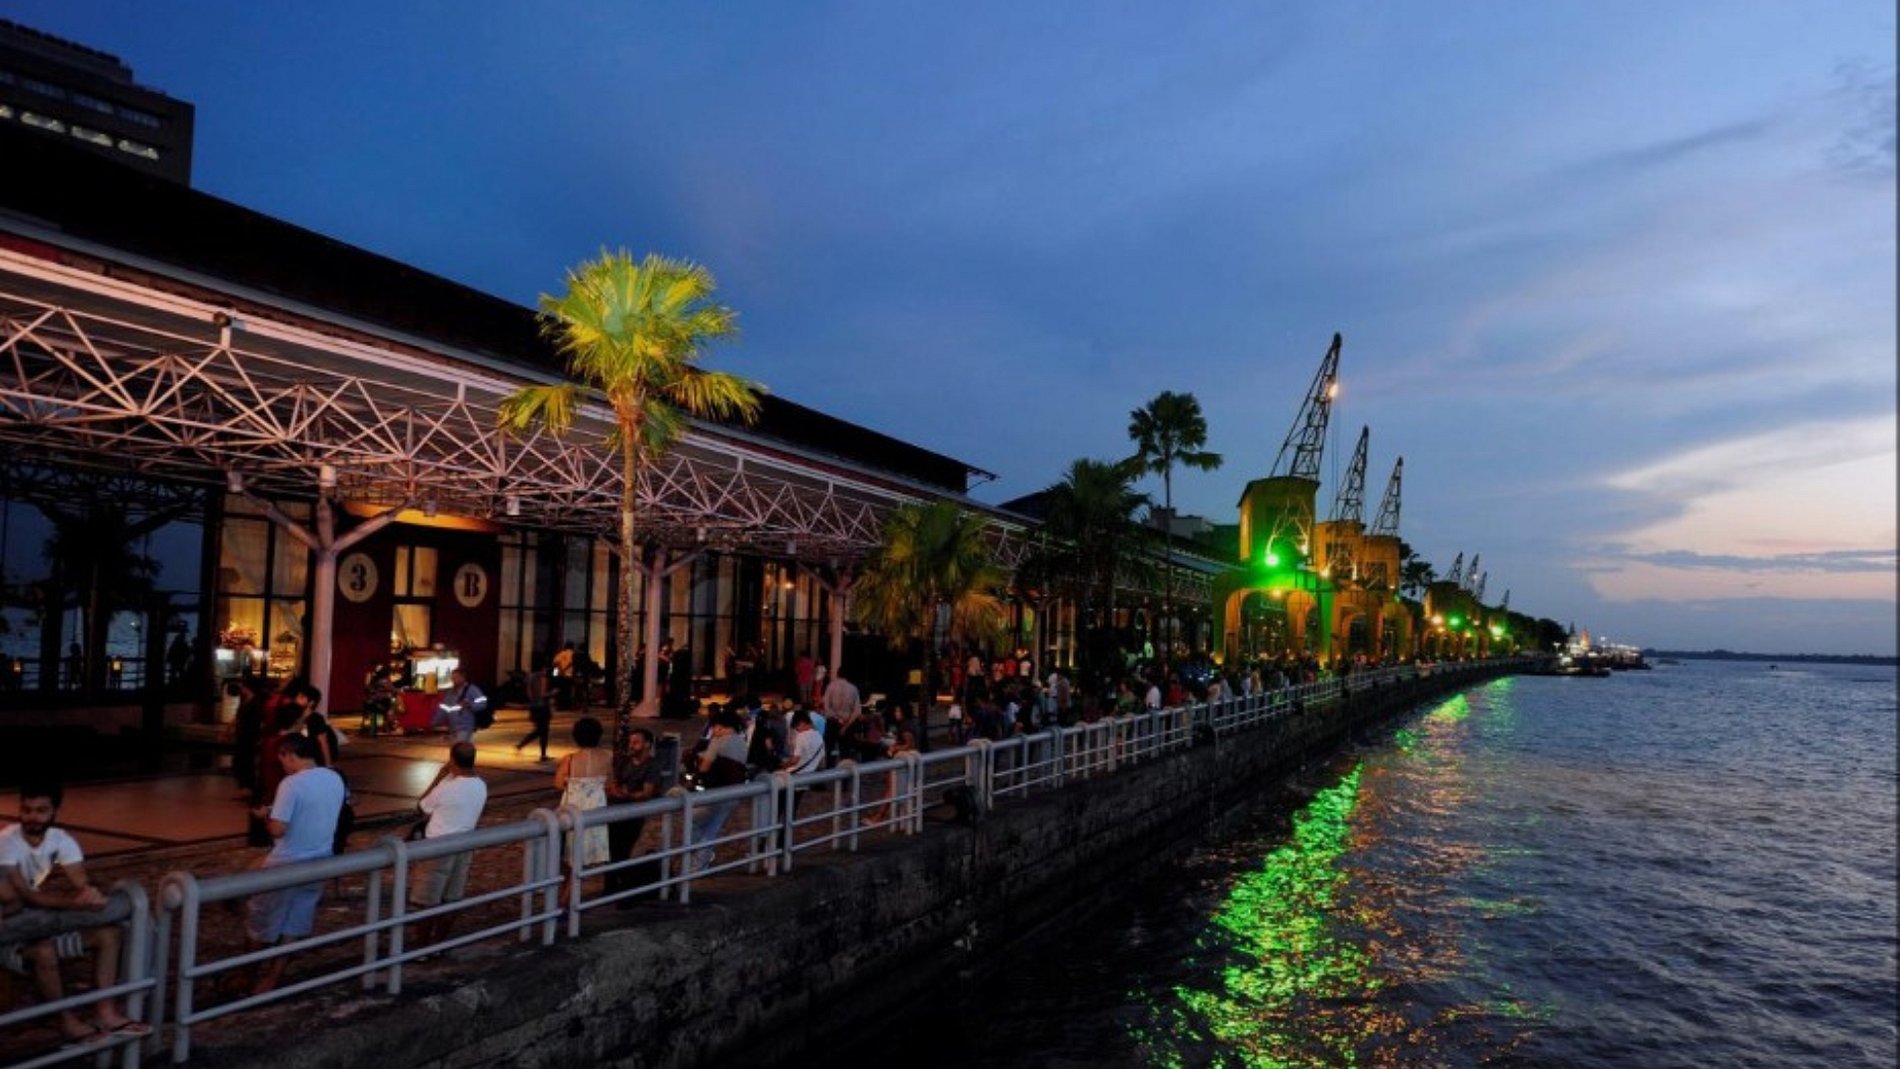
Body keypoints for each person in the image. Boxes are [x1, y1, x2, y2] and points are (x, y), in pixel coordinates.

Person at [0, 781, 147, 1045]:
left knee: (115, 920)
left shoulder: (61, 840)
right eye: (26, 810)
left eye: (40, 811)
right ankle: (66, 1021)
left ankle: (105, 1012)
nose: (32, 817)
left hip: (37, 919)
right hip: (10, 926)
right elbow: (24, 897)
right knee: (41, 937)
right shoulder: (7, 841)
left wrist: (91, 896)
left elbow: (81, 882)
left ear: (54, 812)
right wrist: (75, 905)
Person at [241, 734, 345, 996]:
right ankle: (273, 978)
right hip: (320, 859)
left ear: (289, 755)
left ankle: (247, 975)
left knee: (260, 919)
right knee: (295, 921)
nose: (283, 766)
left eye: (282, 760)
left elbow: (278, 829)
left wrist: (264, 817)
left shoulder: (291, 784)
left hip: (287, 862)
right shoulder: (334, 777)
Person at [410, 741, 487, 945]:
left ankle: (422, 948)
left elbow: (422, 807)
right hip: (464, 846)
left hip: (437, 848)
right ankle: (439, 944)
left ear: (452, 760)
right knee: (451, 900)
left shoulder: (447, 787)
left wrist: (439, 776)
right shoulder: (480, 785)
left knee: (427, 902)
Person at [553, 716, 612, 908]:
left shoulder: (570, 759)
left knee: (568, 855)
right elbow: (611, 784)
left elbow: (557, 783)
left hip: (572, 809)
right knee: (581, 858)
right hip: (595, 808)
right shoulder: (607, 757)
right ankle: (567, 898)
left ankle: (563, 898)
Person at [604, 727, 664, 906]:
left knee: (623, 849)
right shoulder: (623, 761)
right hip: (615, 810)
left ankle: (620, 888)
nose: (631, 745)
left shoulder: (653, 765)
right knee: (611, 849)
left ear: (647, 744)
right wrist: (619, 792)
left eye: (636, 742)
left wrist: (627, 795)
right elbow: (613, 784)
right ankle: (611, 887)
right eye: (631, 742)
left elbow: (647, 792)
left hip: (633, 814)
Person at [685, 710, 750, 872]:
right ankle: (701, 863)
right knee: (713, 828)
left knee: (694, 822)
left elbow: (704, 767)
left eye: (713, 727)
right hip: (734, 793)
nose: (712, 731)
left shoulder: (718, 741)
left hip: (715, 792)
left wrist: (698, 760)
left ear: (720, 727)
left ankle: (694, 861)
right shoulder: (742, 742)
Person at [431, 668, 487, 744]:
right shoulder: (450, 692)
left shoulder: (472, 690)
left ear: (463, 678)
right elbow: (443, 709)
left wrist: (470, 705)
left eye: (456, 677)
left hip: (465, 726)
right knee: (456, 748)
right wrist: (434, 723)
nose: (453, 680)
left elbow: (483, 703)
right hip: (453, 728)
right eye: (452, 678)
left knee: (460, 746)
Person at [516, 659, 553, 760]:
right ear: (543, 668)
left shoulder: (530, 678)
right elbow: (543, 694)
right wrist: (553, 693)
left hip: (534, 707)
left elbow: (529, 694)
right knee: (543, 731)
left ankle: (522, 745)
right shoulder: (542, 678)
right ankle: (543, 754)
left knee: (540, 730)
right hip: (542, 707)